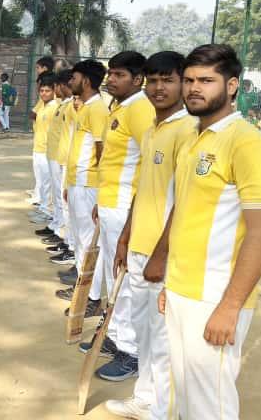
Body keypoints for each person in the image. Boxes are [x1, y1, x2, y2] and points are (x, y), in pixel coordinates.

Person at [160, 44, 261, 420]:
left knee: (210, 402)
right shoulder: (193, 137)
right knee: (185, 393)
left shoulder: (248, 143)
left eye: (206, 80)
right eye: (189, 80)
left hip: (215, 295)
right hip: (181, 290)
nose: (194, 88)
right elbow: (187, 217)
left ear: (231, 86)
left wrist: (230, 306)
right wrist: (169, 284)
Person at [105, 51, 196, 419]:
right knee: (144, 333)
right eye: (153, 80)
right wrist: (125, 236)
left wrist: (161, 254)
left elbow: (186, 201)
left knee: (162, 338)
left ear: (182, 84)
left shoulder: (188, 131)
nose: (159, 88)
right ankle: (145, 399)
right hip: (139, 247)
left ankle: (163, 409)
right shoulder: (153, 130)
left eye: (168, 80)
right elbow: (142, 189)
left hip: (164, 254)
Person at [89, 51, 156, 382]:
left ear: (137, 79)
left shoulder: (141, 109)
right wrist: (99, 201)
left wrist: (132, 211)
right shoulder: (121, 107)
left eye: (119, 75)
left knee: (125, 281)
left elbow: (150, 160)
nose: (111, 79)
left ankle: (131, 352)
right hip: (109, 202)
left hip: (125, 206)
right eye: (110, 74)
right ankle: (115, 336)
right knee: (111, 273)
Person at [56, 59, 108, 320]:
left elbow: (102, 150)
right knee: (79, 238)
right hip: (77, 181)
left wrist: (98, 187)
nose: (70, 82)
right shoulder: (84, 107)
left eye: (74, 78)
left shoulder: (97, 109)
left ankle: (92, 298)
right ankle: (82, 288)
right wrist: (69, 183)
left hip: (89, 184)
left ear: (86, 81)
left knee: (89, 242)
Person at [40, 70, 76, 270]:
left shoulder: (72, 106)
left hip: (64, 159)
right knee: (59, 197)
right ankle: (60, 230)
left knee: (66, 202)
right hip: (56, 155)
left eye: (56, 86)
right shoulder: (63, 105)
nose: (56, 90)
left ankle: (67, 241)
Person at [30, 75, 59, 221]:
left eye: (47, 91)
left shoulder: (55, 107)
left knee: (48, 183)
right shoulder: (43, 105)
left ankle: (48, 211)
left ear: (54, 91)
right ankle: (43, 207)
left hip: (48, 150)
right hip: (38, 148)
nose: (44, 94)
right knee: (41, 182)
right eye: (42, 91)